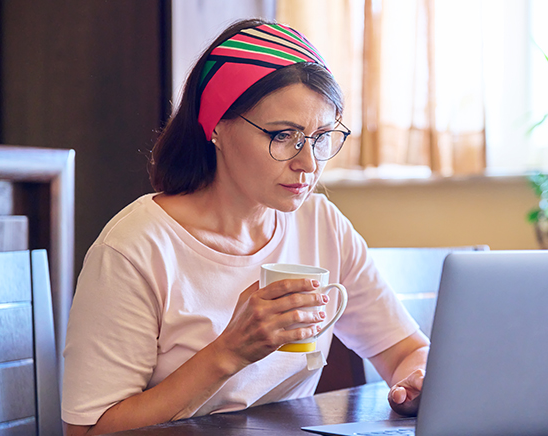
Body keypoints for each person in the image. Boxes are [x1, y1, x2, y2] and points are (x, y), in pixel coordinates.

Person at [61, 19, 429, 435]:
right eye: (283, 135)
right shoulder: (135, 247)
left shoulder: (320, 224)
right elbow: (87, 432)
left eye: (321, 136)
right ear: (216, 125)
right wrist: (229, 352)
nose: (307, 164)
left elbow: (407, 350)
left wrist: (414, 381)